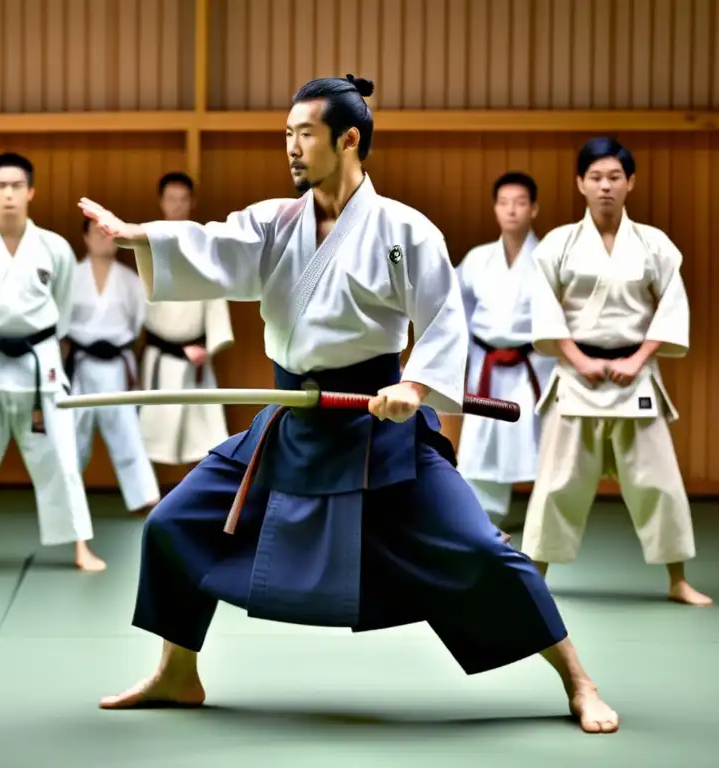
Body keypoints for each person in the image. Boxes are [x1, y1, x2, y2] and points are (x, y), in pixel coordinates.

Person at [78, 75, 619, 734]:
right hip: (292, 420)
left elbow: (445, 320)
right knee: (173, 524)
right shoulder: (277, 222)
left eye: (304, 134)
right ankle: (178, 672)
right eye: (287, 135)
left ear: (349, 139)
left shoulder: (403, 229)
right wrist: (137, 235)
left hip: (377, 424)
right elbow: (211, 246)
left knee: (481, 550)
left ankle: (578, 680)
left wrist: (413, 388)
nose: (292, 148)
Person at [521, 137, 711, 607]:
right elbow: (544, 309)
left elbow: (671, 309)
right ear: (580, 184)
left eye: (614, 177)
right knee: (556, 483)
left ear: (630, 183)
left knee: (660, 483)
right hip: (575, 373)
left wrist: (636, 360)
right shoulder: (558, 243)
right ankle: (532, 581)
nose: (605, 186)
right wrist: (579, 360)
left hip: (635, 374)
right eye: (596, 177)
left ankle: (677, 580)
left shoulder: (654, 244)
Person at [0, 152, 105, 572]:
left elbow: (62, 307)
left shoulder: (54, 247)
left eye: (17, 186)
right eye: (1, 186)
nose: (9, 194)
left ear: (30, 191)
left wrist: (38, 339)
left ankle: (80, 546)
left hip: (39, 365)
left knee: (62, 460)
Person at [455, 172, 554, 532]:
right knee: (482, 438)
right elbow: (456, 307)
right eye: (504, 202)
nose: (512, 210)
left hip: (533, 364)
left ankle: (546, 520)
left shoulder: (548, 258)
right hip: (487, 364)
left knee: (540, 439)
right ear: (495, 208)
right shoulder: (478, 259)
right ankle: (482, 520)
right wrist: (460, 351)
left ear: (534, 208)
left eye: (521, 202)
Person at [139, 172, 234, 466]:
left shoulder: (205, 245)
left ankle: (201, 491)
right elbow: (139, 300)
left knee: (204, 433)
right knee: (151, 429)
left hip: (195, 354)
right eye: (171, 199)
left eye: (183, 199)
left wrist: (210, 346)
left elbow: (216, 295)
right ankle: (150, 496)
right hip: (159, 353)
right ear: (161, 202)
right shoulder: (146, 244)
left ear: (192, 202)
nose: (177, 205)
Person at [66, 218, 160, 514]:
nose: (103, 240)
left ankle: (144, 497)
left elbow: (138, 325)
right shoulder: (70, 276)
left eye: (107, 234)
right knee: (73, 431)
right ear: (85, 238)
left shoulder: (131, 280)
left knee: (126, 428)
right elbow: (60, 325)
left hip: (116, 363)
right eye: (96, 233)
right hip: (79, 362)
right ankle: (67, 497)